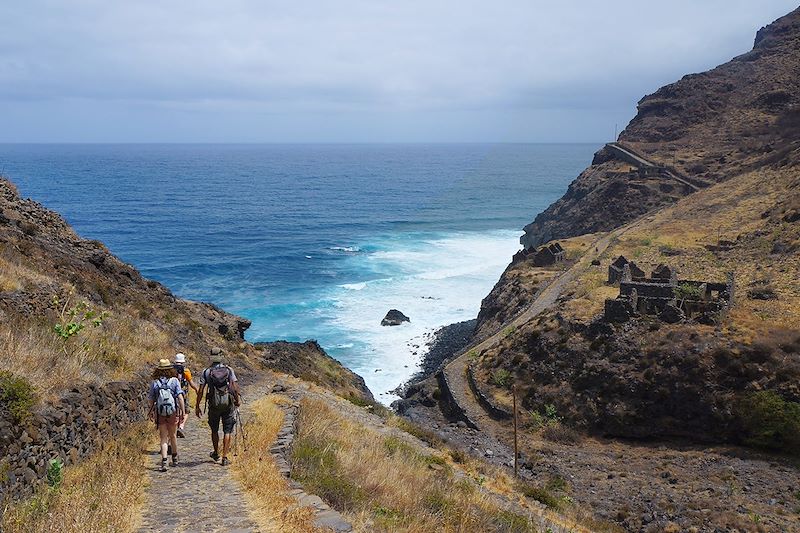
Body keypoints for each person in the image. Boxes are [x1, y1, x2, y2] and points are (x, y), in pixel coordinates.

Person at [195, 348, 241, 466]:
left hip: (213, 405)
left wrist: (197, 405)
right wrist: (237, 401)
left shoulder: (206, 372)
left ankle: (216, 452)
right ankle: (225, 457)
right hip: (228, 404)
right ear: (221, 356)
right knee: (227, 430)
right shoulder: (229, 370)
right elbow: (235, 387)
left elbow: (200, 390)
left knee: (214, 430)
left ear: (211, 357)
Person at [148, 358, 185, 472]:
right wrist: (183, 411)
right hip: (172, 412)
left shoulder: (155, 383)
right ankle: (175, 458)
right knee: (173, 436)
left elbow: (151, 400)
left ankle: (164, 461)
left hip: (160, 412)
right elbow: (179, 397)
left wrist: (151, 411)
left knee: (163, 437)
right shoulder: (174, 381)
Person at [172, 352, 199, 438]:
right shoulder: (186, 371)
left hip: (172, 394)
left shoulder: (170, 370)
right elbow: (191, 383)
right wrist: (197, 390)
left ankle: (174, 428)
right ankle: (181, 426)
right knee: (186, 411)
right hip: (183, 394)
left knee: (174, 411)